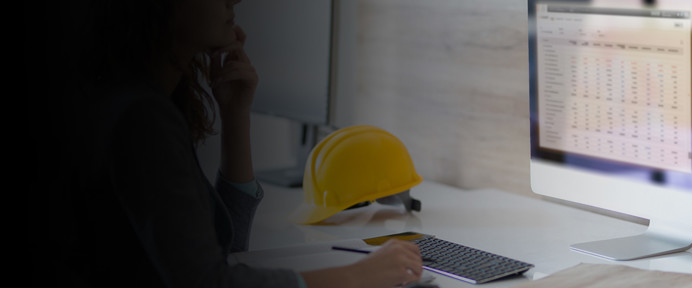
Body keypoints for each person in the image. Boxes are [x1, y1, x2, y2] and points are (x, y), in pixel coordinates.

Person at [48, 0, 424, 287]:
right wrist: (358, 276)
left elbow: (223, 247)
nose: (236, 0)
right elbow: (207, 281)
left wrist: (235, 115)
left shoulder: (138, 100)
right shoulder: (140, 116)